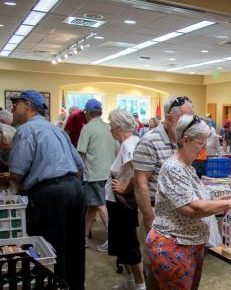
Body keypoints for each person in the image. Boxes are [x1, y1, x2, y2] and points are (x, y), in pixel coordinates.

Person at [146, 114, 231, 289]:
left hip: (190, 244)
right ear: (186, 140)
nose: (205, 146)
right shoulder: (174, 168)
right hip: (174, 244)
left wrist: (218, 200)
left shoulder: (187, 167)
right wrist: (226, 204)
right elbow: (191, 207)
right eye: (200, 142)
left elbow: (194, 199)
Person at [8, 90, 86, 290]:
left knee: (49, 247)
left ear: (27, 105)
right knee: (74, 246)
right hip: (75, 190)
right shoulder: (56, 130)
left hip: (50, 194)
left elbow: (17, 172)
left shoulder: (26, 130)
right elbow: (79, 166)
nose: (12, 109)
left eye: (15, 105)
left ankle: (54, 285)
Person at [133, 96, 194, 290]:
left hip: (180, 216)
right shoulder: (150, 141)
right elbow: (140, 183)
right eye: (184, 119)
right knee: (156, 265)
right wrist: (149, 218)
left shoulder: (184, 140)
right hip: (157, 214)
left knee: (173, 267)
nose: (189, 123)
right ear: (169, 118)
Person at [106, 109, 145, 290]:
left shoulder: (129, 143)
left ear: (119, 127)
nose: (110, 130)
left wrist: (126, 187)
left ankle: (139, 285)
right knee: (123, 244)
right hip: (118, 202)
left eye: (111, 126)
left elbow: (139, 171)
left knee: (128, 244)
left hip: (122, 203)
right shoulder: (131, 142)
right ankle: (132, 282)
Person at [77, 99, 117, 250]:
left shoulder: (87, 128)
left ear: (87, 113)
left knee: (100, 205)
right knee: (92, 208)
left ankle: (114, 238)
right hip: (110, 174)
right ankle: (84, 237)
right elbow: (117, 151)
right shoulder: (109, 128)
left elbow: (80, 154)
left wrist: (77, 175)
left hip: (94, 174)